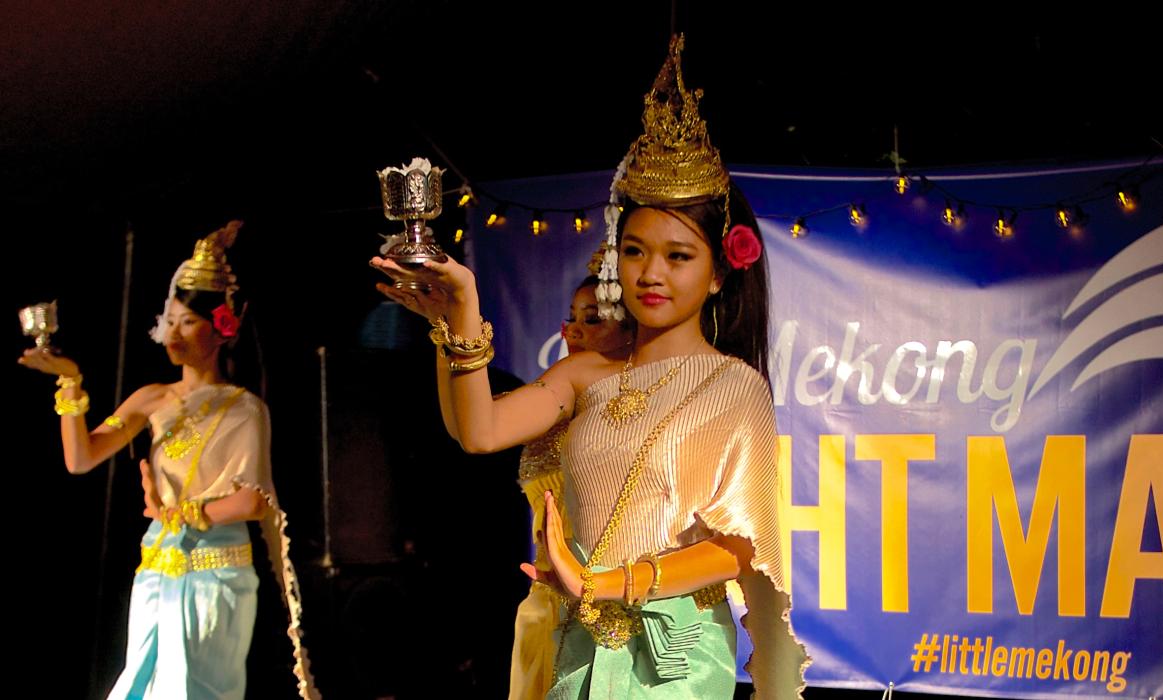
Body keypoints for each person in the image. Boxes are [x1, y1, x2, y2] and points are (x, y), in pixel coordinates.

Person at [372, 35, 808, 699]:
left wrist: (608, 583)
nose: (651, 274)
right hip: (582, 641)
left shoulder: (733, 387)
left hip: (679, 660)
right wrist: (454, 316)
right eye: (635, 251)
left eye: (678, 257)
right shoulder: (585, 375)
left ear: (721, 271)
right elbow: (478, 430)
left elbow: (739, 547)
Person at [19, 221, 318, 699]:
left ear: (222, 328)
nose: (175, 332)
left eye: (189, 322)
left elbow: (252, 501)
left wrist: (183, 513)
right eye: (172, 319)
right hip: (157, 569)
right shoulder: (151, 399)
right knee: (143, 686)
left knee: (197, 690)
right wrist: (70, 383)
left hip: (215, 577)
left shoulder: (244, 409)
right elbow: (80, 458)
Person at [377, 274, 633, 698]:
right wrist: (448, 330)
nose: (574, 331)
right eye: (571, 318)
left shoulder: (629, 412)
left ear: (632, 329)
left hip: (607, 601)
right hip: (546, 600)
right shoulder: (555, 399)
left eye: (593, 318)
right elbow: (468, 430)